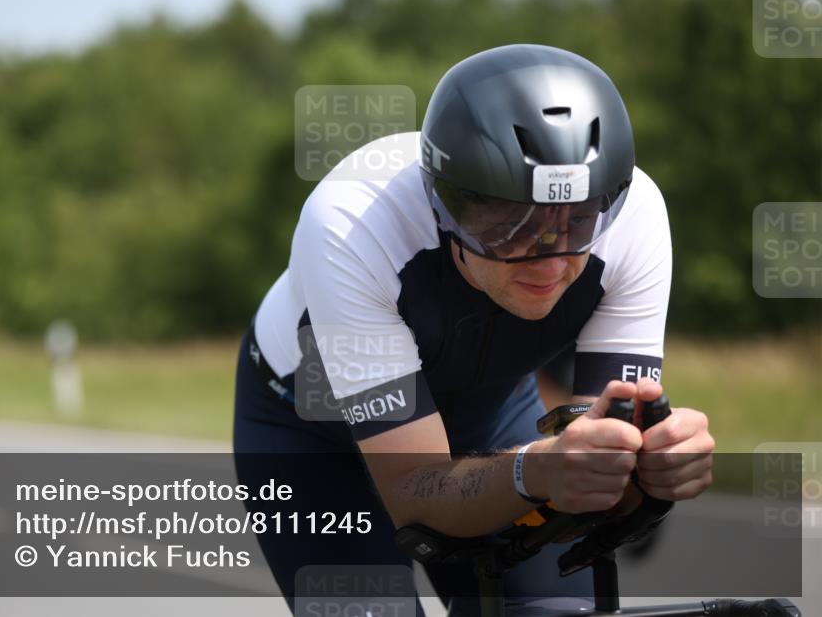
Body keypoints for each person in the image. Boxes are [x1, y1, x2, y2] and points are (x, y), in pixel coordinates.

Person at [233, 44, 715, 616]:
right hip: (312, 434)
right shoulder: (352, 221)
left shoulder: (634, 217)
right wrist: (537, 469)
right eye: (512, 228)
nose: (551, 262)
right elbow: (416, 492)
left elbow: (592, 487)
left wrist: (647, 471)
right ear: (446, 204)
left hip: (487, 411)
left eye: (579, 221)